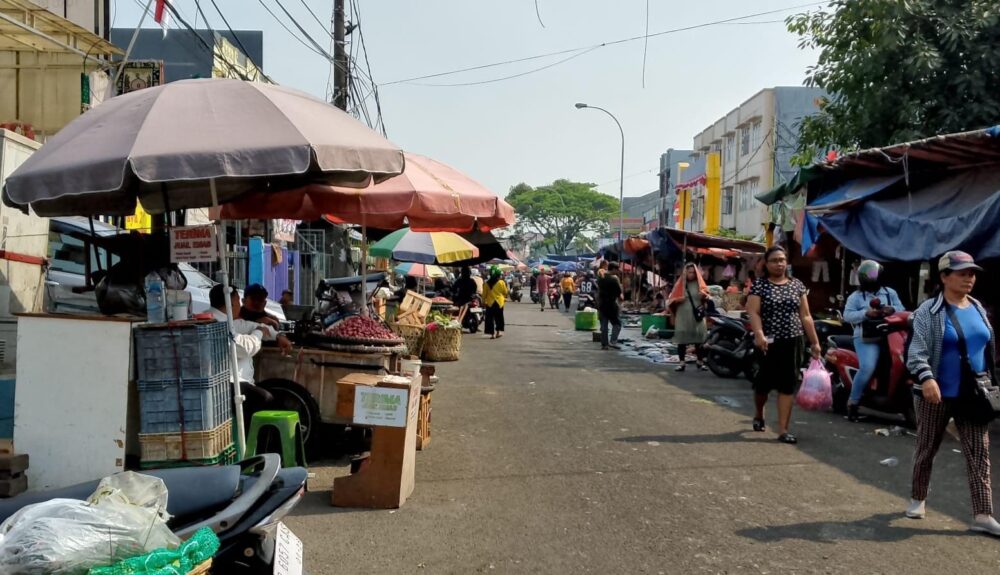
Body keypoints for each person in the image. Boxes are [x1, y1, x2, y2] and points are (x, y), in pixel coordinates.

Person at [905, 251, 1000, 535]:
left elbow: (986, 349)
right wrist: (927, 378)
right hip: (936, 394)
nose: (969, 278)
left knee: (979, 453)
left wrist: (992, 382)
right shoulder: (928, 312)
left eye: (972, 273)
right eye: (962, 273)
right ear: (944, 277)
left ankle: (983, 514)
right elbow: (915, 352)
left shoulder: (978, 308)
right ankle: (918, 498)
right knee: (926, 448)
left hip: (972, 395)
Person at [747, 245, 822, 444]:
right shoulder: (759, 285)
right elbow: (753, 311)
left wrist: (814, 342)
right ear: (766, 263)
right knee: (763, 384)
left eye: (782, 260)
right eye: (774, 260)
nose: (779, 264)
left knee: (787, 385)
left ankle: (783, 430)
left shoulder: (797, 285)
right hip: (768, 342)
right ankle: (759, 414)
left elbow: (805, 315)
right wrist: (759, 334)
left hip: (793, 340)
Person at [210, 284, 292, 426]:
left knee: (274, 402)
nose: (238, 305)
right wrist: (258, 333)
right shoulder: (215, 322)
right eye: (237, 301)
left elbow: (248, 325)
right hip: (224, 384)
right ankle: (255, 445)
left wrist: (277, 336)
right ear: (231, 303)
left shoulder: (230, 320)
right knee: (266, 400)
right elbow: (243, 347)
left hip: (238, 382)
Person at [842, 260, 905, 422]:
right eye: (867, 275)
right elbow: (847, 316)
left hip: (891, 336)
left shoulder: (890, 293)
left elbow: (902, 310)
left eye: (873, 275)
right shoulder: (856, 297)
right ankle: (853, 403)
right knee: (868, 366)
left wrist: (891, 310)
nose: (871, 278)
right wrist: (866, 313)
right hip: (866, 337)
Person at [668, 263, 710, 372]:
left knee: (699, 340)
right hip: (683, 315)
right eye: (689, 272)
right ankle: (682, 363)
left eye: (693, 272)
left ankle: (700, 362)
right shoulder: (680, 285)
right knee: (682, 339)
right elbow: (670, 301)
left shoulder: (700, 284)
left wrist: (704, 296)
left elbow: (707, 297)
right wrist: (678, 300)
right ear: (685, 273)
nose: (691, 274)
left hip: (697, 316)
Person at [597, 262, 624, 350]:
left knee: (604, 326)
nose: (618, 271)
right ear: (613, 269)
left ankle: (604, 345)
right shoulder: (614, 279)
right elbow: (619, 293)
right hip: (612, 304)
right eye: (617, 269)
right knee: (617, 324)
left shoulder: (601, 278)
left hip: (602, 304)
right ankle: (613, 341)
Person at [482, 266, 509, 339]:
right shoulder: (501, 282)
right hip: (499, 303)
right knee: (499, 318)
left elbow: (484, 294)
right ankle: (498, 332)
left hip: (490, 303)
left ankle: (492, 334)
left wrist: (483, 302)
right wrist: (503, 297)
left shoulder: (486, 283)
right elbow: (505, 292)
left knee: (490, 319)